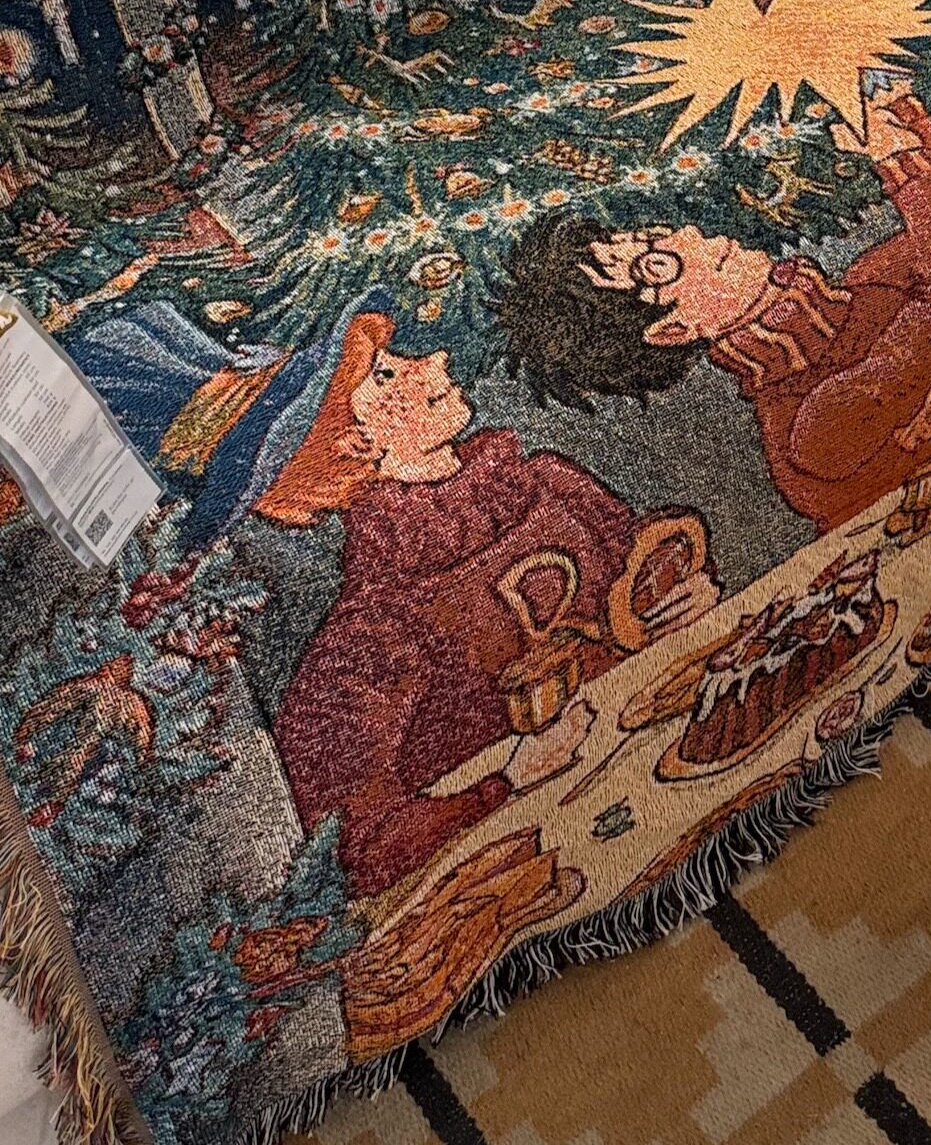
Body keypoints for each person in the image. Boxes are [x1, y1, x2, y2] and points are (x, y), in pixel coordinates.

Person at [73, 295, 718, 899]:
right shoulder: (375, 629)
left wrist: (682, 600)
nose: (433, 359)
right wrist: (509, 780)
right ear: (352, 444)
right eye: (384, 375)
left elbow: (647, 575)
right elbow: (351, 844)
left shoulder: (547, 481)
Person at [494, 82, 931, 533]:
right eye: (659, 264)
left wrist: (913, 121)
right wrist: (898, 160)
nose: (690, 235)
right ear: (674, 329)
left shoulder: (860, 289)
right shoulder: (808, 428)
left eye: (656, 235)